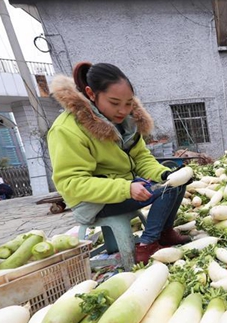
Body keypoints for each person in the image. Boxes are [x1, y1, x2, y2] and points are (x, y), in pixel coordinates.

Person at [47, 62, 190, 264]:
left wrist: (164, 174)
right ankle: (147, 245)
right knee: (166, 190)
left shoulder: (126, 123)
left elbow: (141, 158)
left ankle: (164, 232)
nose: (123, 110)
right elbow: (71, 183)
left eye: (128, 103)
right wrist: (126, 188)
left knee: (174, 179)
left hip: (123, 188)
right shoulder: (66, 129)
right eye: (114, 103)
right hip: (94, 202)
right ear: (91, 93)